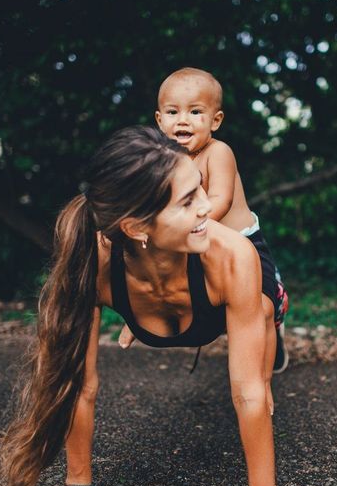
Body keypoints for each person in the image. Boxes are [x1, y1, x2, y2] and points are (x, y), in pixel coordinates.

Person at [0, 126, 279, 486]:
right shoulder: (94, 266)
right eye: (187, 200)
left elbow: (248, 393)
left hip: (218, 311)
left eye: (200, 187)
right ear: (136, 227)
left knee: (261, 309)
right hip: (152, 306)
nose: (207, 206)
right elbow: (79, 386)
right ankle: (139, 324)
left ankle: (269, 324)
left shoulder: (233, 254)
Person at [119, 67, 289, 373]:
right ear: (159, 121)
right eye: (173, 112)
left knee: (262, 309)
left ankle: (263, 378)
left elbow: (219, 203)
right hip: (191, 242)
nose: (182, 120)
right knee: (149, 271)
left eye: (195, 112)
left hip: (243, 243)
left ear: (216, 120)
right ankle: (138, 317)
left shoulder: (218, 152)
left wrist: (169, 225)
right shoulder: (162, 161)